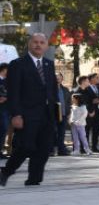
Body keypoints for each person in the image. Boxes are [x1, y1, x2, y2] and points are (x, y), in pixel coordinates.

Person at [0, 33, 59, 187]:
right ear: (29, 44)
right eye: (35, 42)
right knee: (26, 146)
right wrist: (16, 114)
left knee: (44, 149)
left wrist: (56, 112)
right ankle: (6, 171)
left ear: (46, 46)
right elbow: (13, 92)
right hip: (27, 114)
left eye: (41, 42)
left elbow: (52, 89)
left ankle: (34, 180)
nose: (38, 45)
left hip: (46, 114)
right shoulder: (18, 64)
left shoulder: (48, 64)